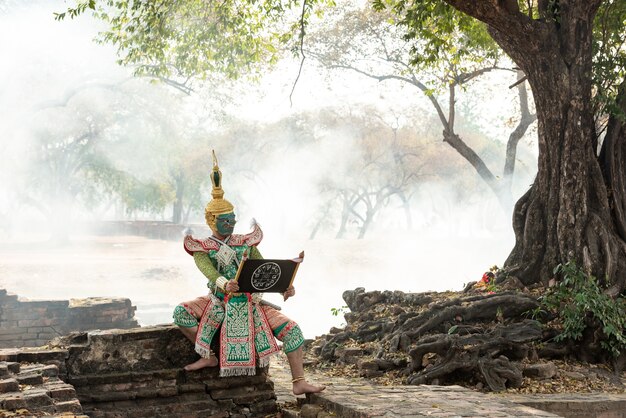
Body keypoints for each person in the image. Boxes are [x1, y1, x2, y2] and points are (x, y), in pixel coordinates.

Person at [173, 151, 325, 395]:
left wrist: (284, 285)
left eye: (233, 218)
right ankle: (209, 356)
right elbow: (208, 272)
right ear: (212, 220)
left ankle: (299, 382)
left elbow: (263, 271)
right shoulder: (202, 247)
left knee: (293, 330)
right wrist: (225, 284)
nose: (231, 223)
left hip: (251, 301)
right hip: (218, 301)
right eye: (225, 220)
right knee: (181, 312)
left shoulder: (246, 243)